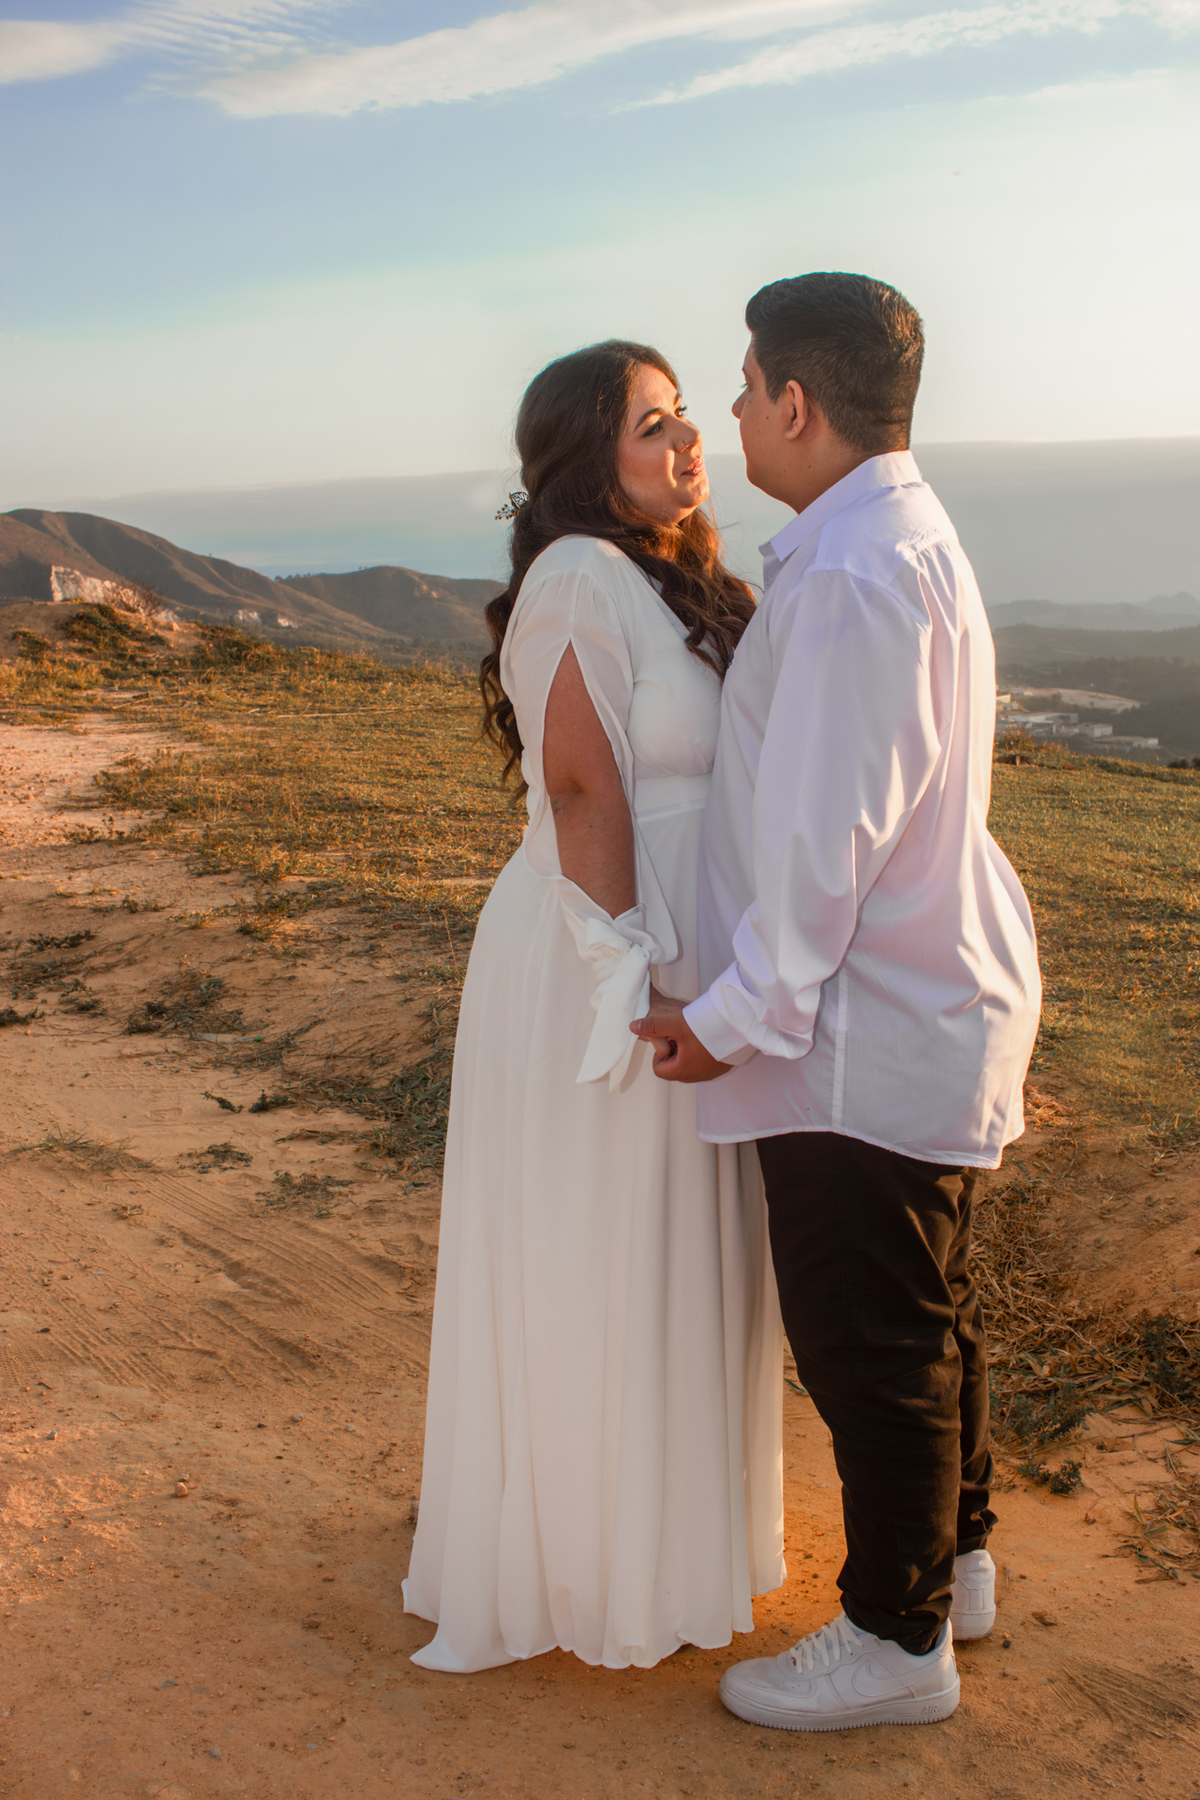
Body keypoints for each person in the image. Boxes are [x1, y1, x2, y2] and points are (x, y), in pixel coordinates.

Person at [633, 272, 1042, 1731]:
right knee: (925, 1313)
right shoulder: (888, 539)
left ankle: (894, 1637)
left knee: (866, 1333)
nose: (730, 414)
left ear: (797, 405)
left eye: (743, 390)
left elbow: (822, 851)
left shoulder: (862, 575)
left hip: (867, 1018)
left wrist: (726, 1019)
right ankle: (956, 1565)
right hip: (916, 993)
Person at [403, 340, 786, 1672]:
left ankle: (663, 1543)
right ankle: (581, 1561)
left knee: (678, 1252)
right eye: (653, 424)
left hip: (689, 957)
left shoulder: (668, 578)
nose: (690, 443)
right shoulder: (578, 577)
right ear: (586, 457)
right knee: (603, 1247)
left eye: (686, 418)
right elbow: (580, 792)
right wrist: (634, 973)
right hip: (604, 956)